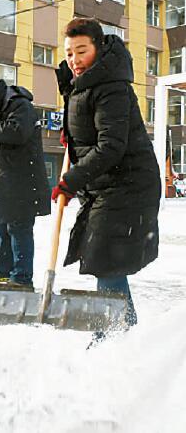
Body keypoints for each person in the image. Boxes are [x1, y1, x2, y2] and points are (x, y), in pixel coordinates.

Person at [53, 18, 161, 334]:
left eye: (81, 51)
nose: (74, 60)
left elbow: (111, 146)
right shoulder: (84, 84)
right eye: (70, 53)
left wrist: (71, 180)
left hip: (129, 184)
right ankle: (119, 330)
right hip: (107, 185)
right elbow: (93, 131)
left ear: (98, 48)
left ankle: (115, 333)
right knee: (104, 256)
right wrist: (71, 138)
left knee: (105, 256)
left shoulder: (110, 86)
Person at [0, 75, 51, 290]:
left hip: (22, 182)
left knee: (18, 229)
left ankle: (22, 277)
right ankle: (4, 271)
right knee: (1, 226)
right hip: (4, 182)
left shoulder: (19, 105)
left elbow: (17, 133)